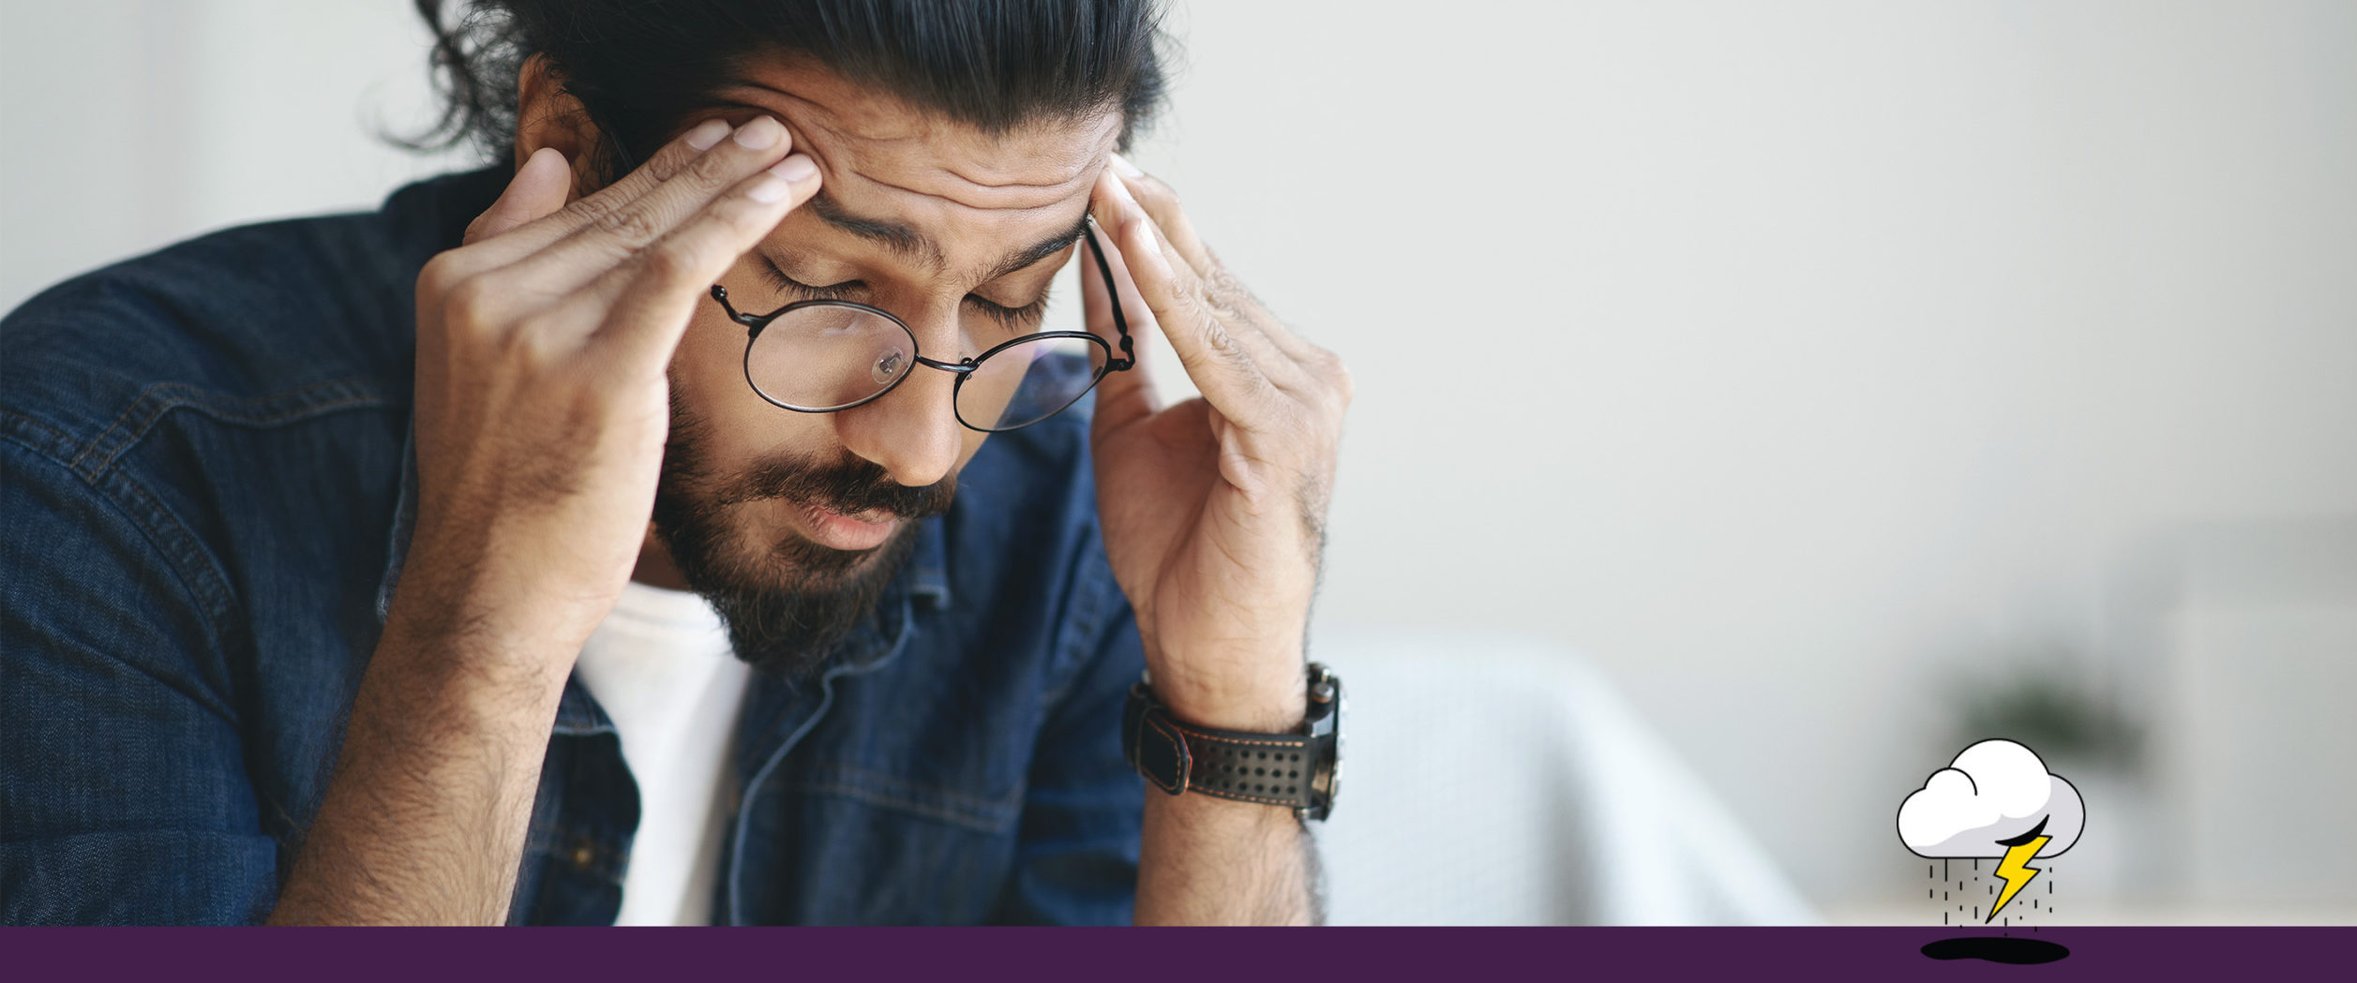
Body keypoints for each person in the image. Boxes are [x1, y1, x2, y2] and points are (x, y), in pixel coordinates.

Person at [0, 0, 1351, 926]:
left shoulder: (1069, 516)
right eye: (826, 286)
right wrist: (487, 630)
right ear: (572, 150)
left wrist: (1232, 703)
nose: (926, 443)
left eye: (1011, 298)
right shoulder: (103, 472)